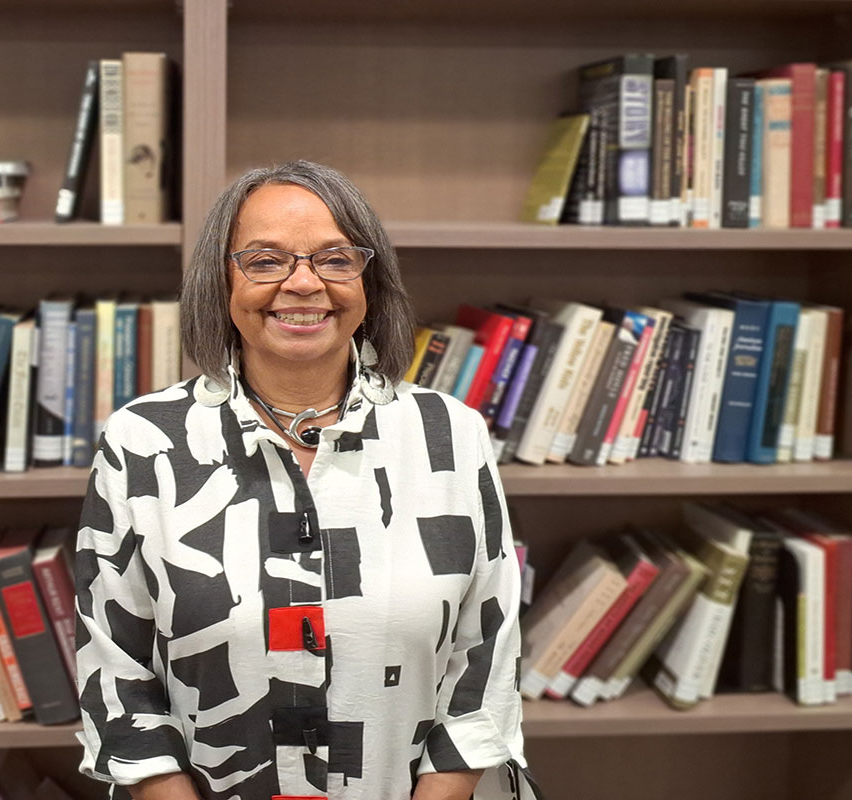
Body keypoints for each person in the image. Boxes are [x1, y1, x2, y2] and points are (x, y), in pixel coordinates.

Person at [74, 161, 541, 800]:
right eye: (265, 260)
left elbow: (484, 670)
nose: (303, 284)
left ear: (368, 281)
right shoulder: (144, 440)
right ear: (222, 281)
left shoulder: (448, 436)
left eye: (335, 259)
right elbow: (116, 674)